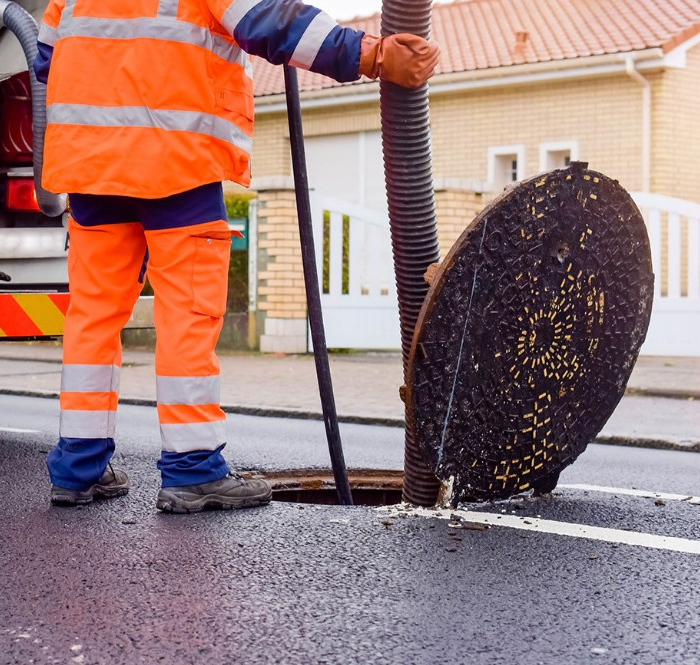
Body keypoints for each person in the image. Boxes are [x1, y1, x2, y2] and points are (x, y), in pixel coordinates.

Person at [34, 0, 439, 513]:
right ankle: (193, 469)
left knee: (91, 317)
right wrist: (372, 56)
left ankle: (77, 469)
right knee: (186, 316)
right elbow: (271, 22)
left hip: (90, 170)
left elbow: (48, 61)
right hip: (176, 164)